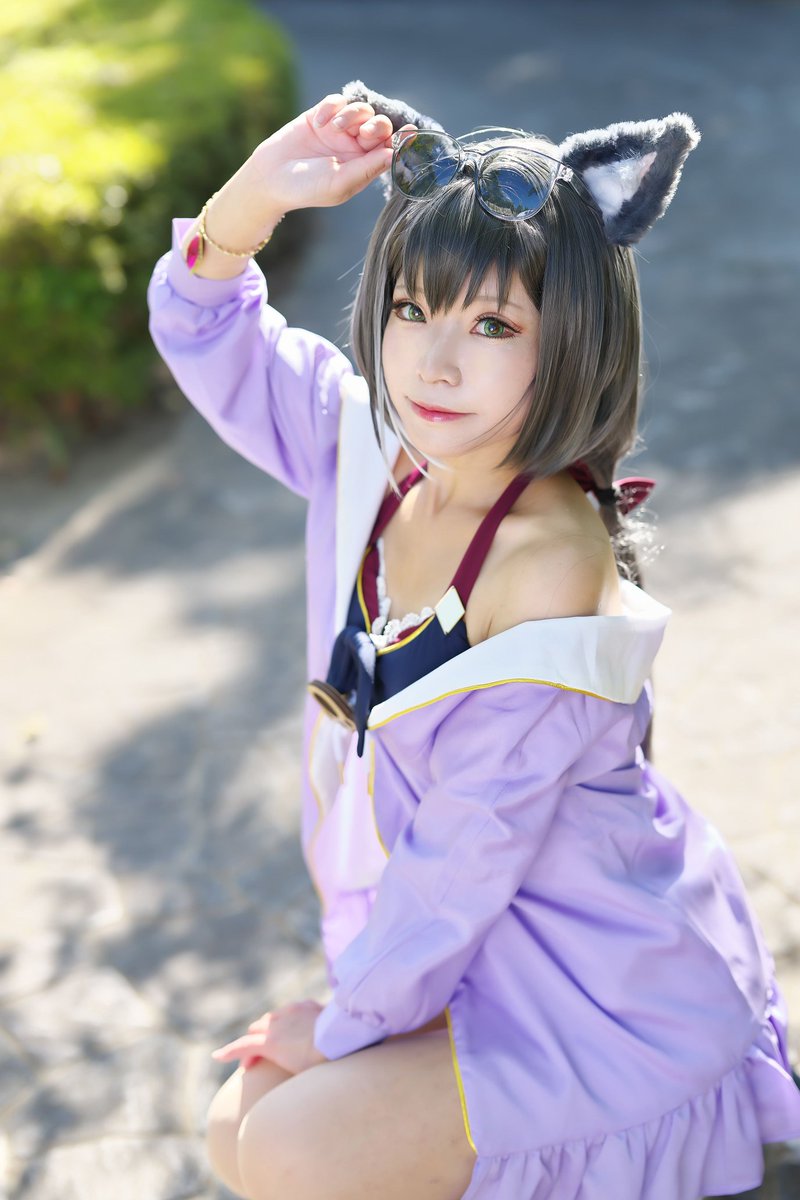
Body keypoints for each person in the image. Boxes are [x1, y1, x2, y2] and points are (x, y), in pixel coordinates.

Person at [147, 80, 800, 1200]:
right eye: (412, 309)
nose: (433, 364)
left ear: (571, 341)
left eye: (493, 325)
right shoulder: (378, 454)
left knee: (286, 1145)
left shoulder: (547, 558)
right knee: (239, 1124)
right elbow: (211, 331)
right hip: (452, 954)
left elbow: (463, 859)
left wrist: (342, 1027)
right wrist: (252, 198)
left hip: (591, 989)